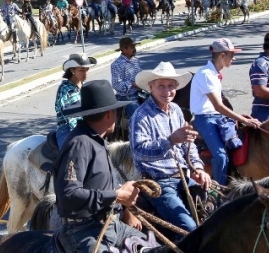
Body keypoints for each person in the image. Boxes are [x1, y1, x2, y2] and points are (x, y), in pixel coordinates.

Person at [54, 80, 145, 253]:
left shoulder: (97, 140)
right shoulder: (79, 144)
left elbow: (97, 185)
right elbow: (69, 194)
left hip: (111, 224)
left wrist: (123, 200)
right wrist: (116, 195)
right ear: (110, 114)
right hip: (83, 231)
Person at [130, 62, 212, 233]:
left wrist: (198, 168)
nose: (167, 91)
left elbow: (188, 145)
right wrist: (170, 141)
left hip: (183, 176)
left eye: (171, 86)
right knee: (191, 230)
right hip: (158, 182)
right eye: (161, 86)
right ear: (150, 87)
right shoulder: (141, 115)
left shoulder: (176, 110)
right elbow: (138, 151)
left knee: (216, 213)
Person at [191, 39, 261, 185]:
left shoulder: (214, 73)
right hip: (205, 119)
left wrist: (239, 118)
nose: (234, 58)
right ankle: (218, 191)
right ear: (222, 56)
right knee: (221, 156)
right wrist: (245, 120)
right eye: (231, 55)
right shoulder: (206, 74)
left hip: (218, 117)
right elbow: (218, 106)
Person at [55, 54, 96, 148]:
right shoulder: (65, 89)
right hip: (67, 130)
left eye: (87, 69)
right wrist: (84, 131)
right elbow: (69, 116)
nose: (85, 73)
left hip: (86, 127)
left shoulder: (85, 86)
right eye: (81, 70)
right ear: (72, 70)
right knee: (74, 155)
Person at [110, 37, 141, 119]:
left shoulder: (136, 60)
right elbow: (116, 84)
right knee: (139, 118)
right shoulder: (116, 64)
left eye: (134, 47)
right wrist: (133, 84)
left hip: (140, 93)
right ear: (124, 49)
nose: (134, 49)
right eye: (132, 47)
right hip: (127, 97)